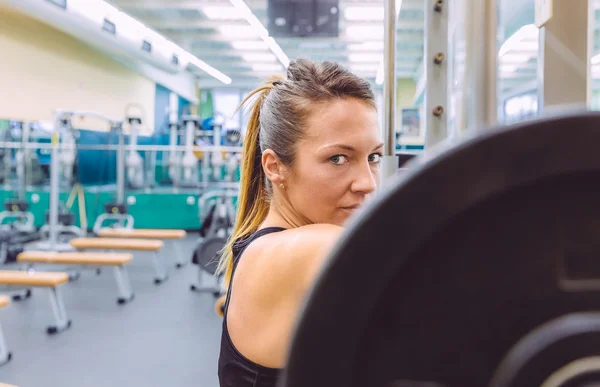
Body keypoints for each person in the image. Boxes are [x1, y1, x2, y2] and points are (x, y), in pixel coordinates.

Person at [217, 59, 383, 387]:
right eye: (338, 158)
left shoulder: (266, 245)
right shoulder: (311, 250)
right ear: (275, 167)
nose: (367, 183)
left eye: (373, 157)